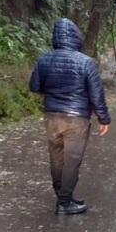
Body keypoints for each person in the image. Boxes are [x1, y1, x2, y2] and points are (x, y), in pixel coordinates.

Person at [29, 18, 111, 215]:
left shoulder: (44, 59)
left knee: (56, 158)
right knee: (72, 160)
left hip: (52, 117)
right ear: (76, 37)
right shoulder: (86, 62)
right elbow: (96, 94)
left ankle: (62, 196)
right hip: (77, 119)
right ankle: (65, 202)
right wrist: (104, 118)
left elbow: (34, 86)